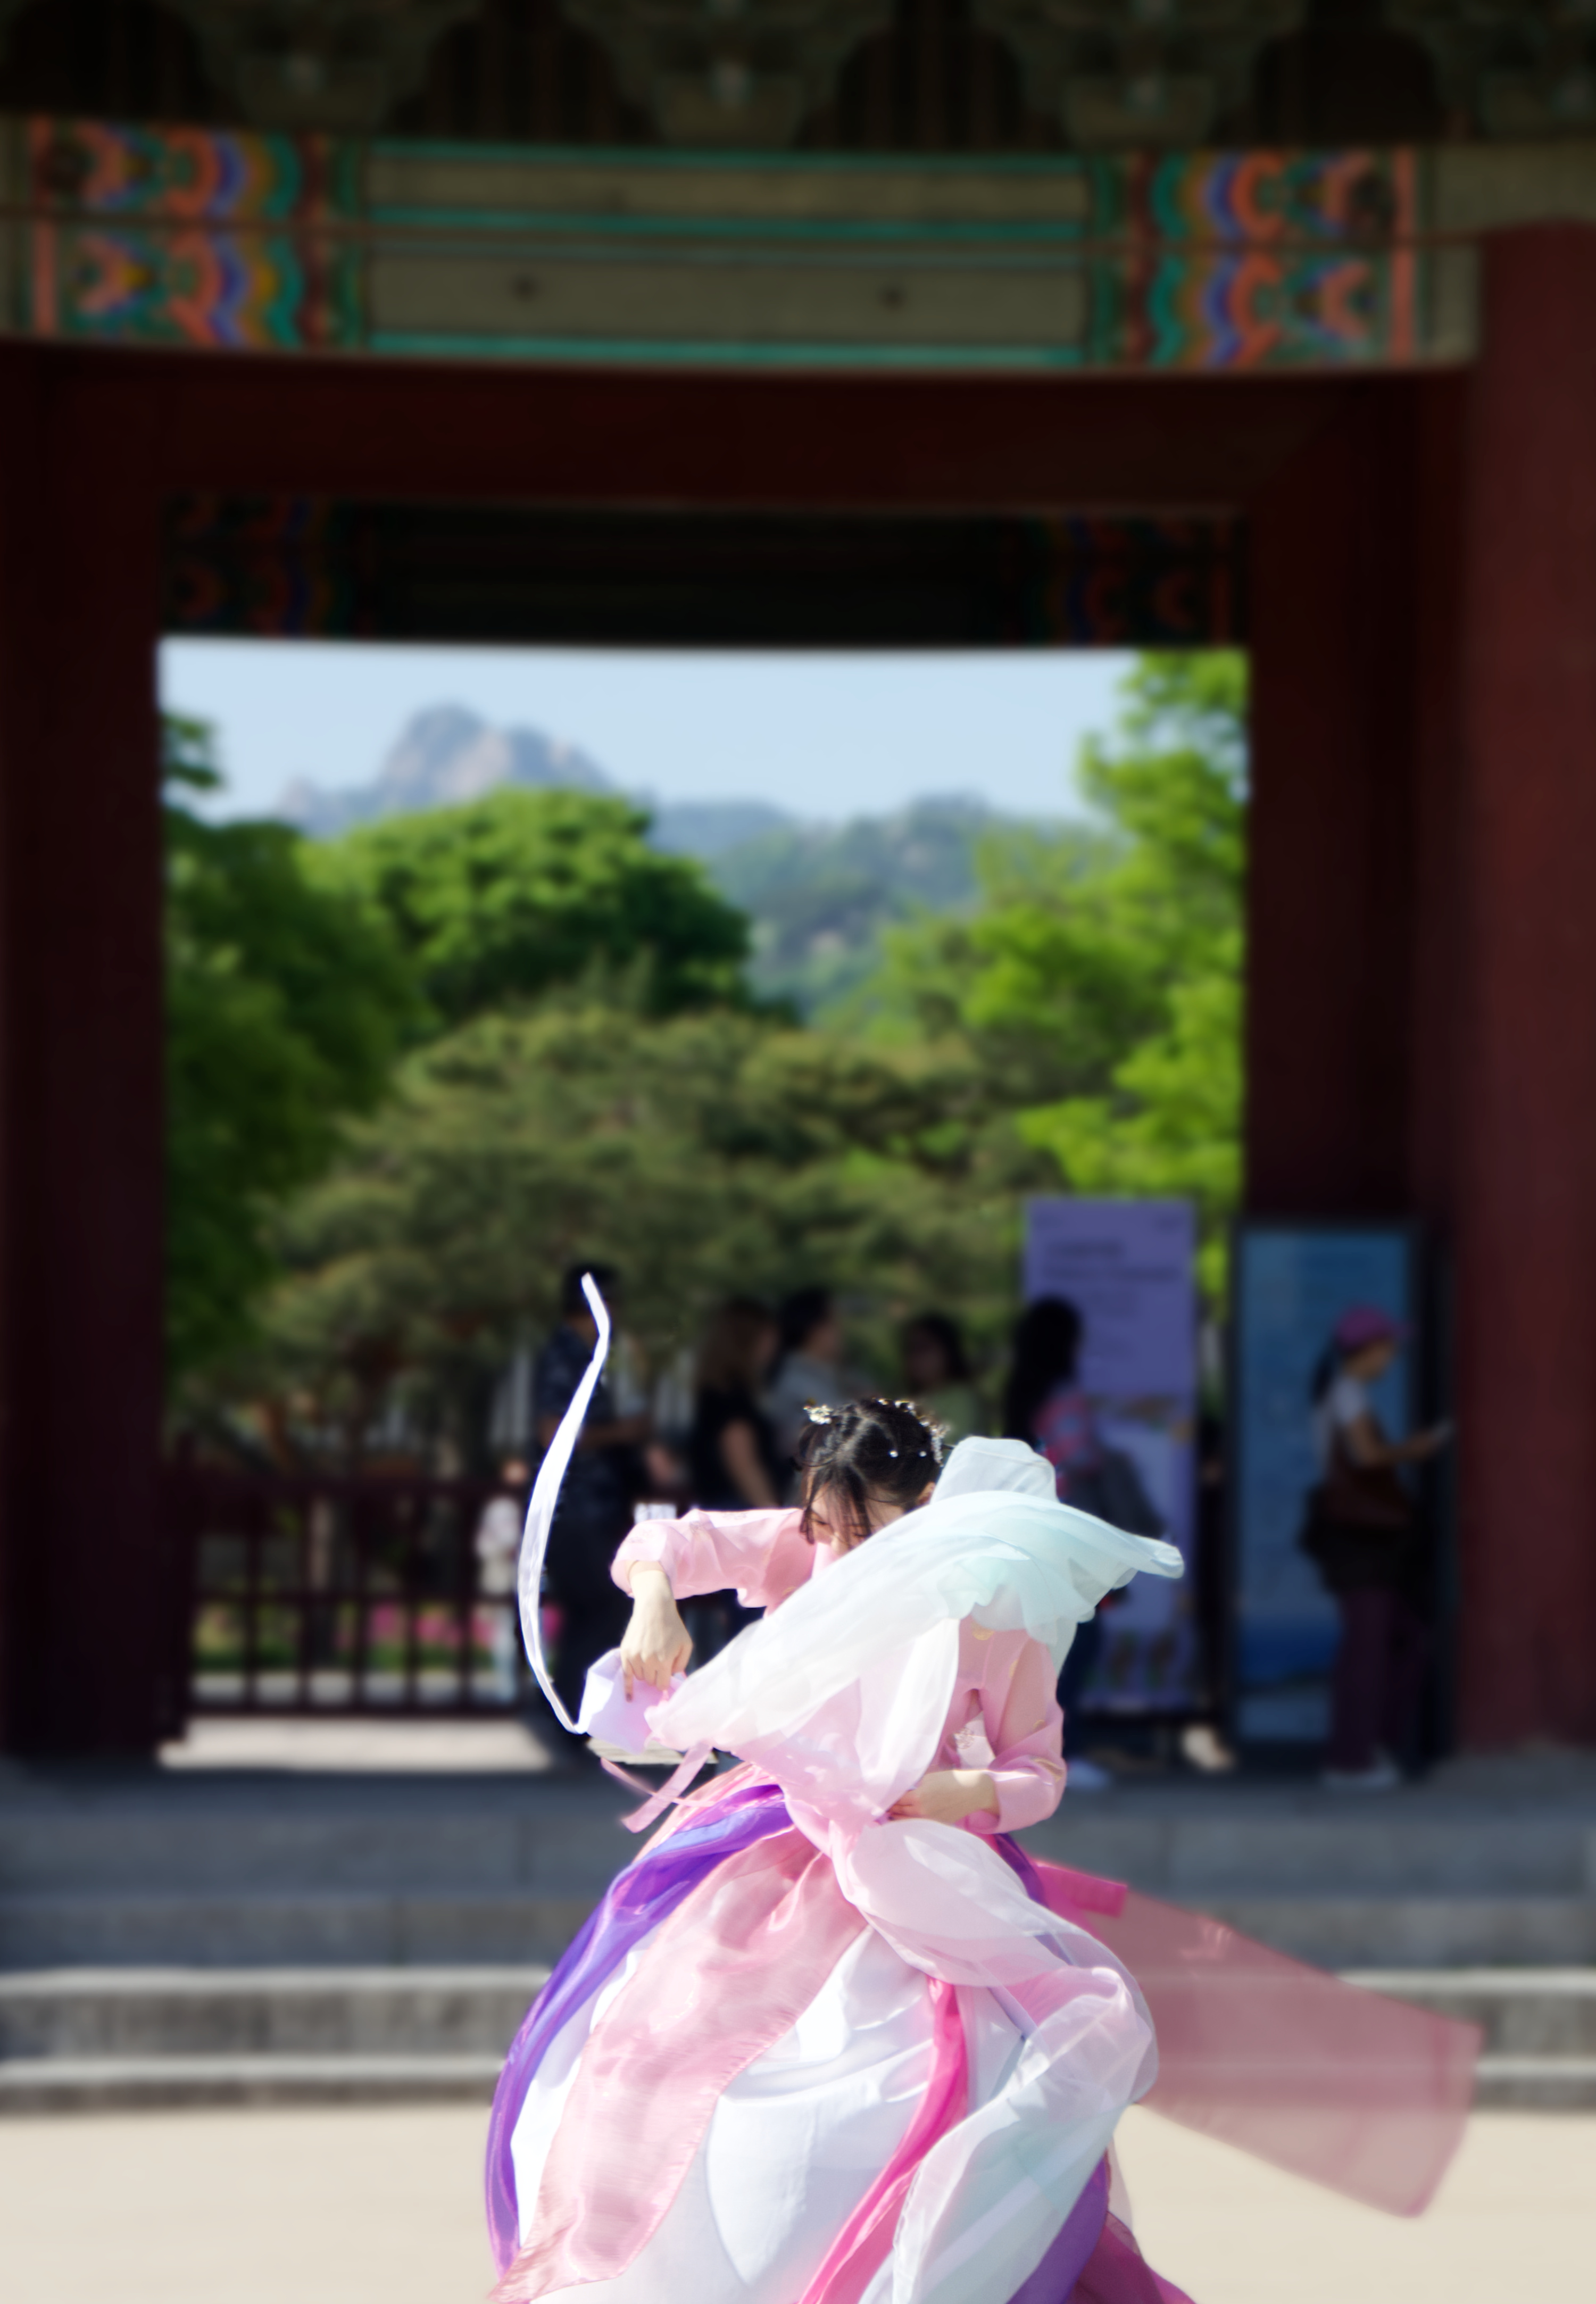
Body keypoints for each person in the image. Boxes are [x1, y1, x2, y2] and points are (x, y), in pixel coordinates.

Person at [487, 1400, 1478, 2302]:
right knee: (654, 2047)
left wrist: (938, 1794)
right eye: (822, 1527)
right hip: (780, 1847)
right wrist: (655, 1597)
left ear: (927, 1504)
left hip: (936, 1873)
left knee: (942, 2103)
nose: (834, 1551)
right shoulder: (807, 1549)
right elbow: (666, 1540)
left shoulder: (992, 1610)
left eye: (861, 1529)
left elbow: (1036, 1772)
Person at [1302, 1304, 1451, 1793]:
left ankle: (1370, 1747)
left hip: (1356, 1540)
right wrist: (1420, 1447)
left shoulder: (1338, 1390)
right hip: (1359, 1541)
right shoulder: (1347, 1391)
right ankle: (1352, 1759)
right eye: (1388, 1345)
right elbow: (1367, 1455)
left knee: (1394, 1639)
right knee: (1370, 1648)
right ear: (1367, 1349)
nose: (1393, 1354)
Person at [1003, 1295, 1118, 1791]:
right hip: (1070, 1532)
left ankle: (1037, 1749)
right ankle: (1062, 1753)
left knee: (1049, 1642)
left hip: (1033, 1529)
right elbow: (1084, 1459)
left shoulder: (1018, 1392)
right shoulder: (1063, 1394)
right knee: (1081, 1638)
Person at [533, 1263, 649, 1742]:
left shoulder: (585, 1354)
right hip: (573, 1507)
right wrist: (624, 1432)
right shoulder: (564, 1356)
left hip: (593, 1506)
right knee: (600, 1607)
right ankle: (563, 1716)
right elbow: (552, 1432)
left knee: (590, 1610)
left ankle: (562, 1714)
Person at [688, 1298, 783, 1511]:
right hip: (738, 1514)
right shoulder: (732, 1401)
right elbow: (744, 1466)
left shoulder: (716, 1394)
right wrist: (774, 1516)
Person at [765, 1286, 861, 1476]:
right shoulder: (796, 1380)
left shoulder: (829, 1373)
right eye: (834, 1322)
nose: (841, 1330)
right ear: (814, 1329)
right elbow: (837, 1430)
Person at [473, 1455, 529, 1703]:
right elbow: (504, 1542)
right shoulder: (501, 1508)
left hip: (527, 1577)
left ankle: (534, 1687)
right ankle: (508, 1688)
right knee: (505, 1633)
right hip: (503, 1576)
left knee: (531, 1633)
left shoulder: (529, 1505)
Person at [901, 1311, 983, 1446]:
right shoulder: (911, 1399)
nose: (916, 1357)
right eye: (910, 1350)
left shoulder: (963, 1397)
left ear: (948, 1351)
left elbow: (951, 1449)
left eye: (924, 1348)